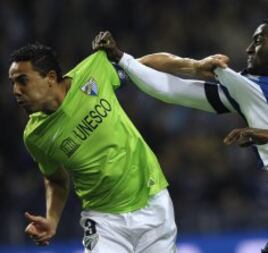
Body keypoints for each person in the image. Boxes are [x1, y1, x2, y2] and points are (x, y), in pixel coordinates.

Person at [93, 17, 268, 252]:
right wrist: (121, 57)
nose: (248, 48)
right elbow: (172, 89)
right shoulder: (244, 89)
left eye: (258, 41)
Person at [9, 43, 178, 253]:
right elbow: (55, 179)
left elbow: (142, 65)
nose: (16, 91)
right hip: (103, 221)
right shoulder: (35, 136)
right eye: (13, 83)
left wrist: (196, 66)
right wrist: (52, 219)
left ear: (50, 77)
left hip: (152, 201)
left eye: (22, 81)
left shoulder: (93, 72)